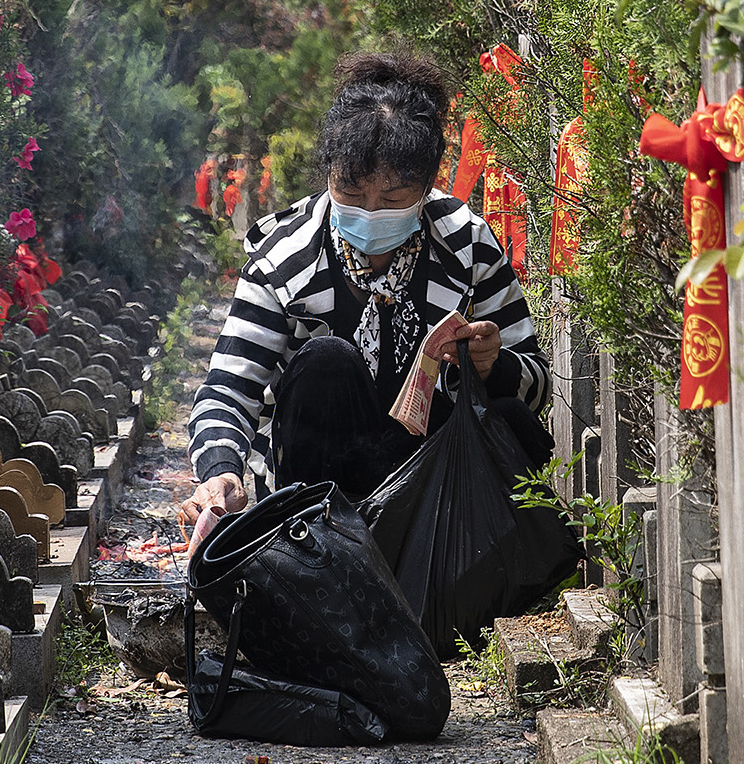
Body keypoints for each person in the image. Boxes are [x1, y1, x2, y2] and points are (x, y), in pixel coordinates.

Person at [180, 51, 553, 527]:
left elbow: (537, 389)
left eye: (393, 199)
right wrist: (221, 471)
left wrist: (493, 366)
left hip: (441, 496)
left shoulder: (467, 245)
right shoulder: (285, 257)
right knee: (325, 363)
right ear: (329, 176)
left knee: (510, 418)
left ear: (426, 187)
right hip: (317, 501)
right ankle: (321, 551)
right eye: (351, 195)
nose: (371, 213)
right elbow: (228, 389)